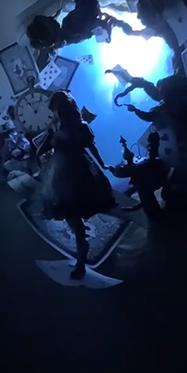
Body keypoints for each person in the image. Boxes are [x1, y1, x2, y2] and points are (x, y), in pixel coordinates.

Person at [31, 91, 118, 279]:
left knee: (74, 212)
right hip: (60, 173)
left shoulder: (80, 126)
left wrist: (102, 164)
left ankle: (81, 258)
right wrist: (40, 157)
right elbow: (45, 145)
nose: (56, 113)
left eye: (58, 109)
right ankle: (81, 249)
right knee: (69, 213)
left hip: (78, 172)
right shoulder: (56, 126)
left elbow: (90, 146)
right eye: (55, 110)